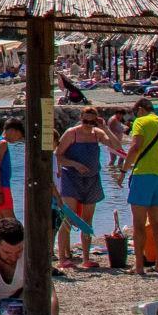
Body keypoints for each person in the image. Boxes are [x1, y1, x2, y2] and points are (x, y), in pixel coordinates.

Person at [54, 106, 121, 267]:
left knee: (87, 220)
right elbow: (58, 155)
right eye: (85, 121)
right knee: (68, 218)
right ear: (81, 117)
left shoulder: (97, 134)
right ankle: (63, 259)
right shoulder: (72, 133)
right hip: (71, 178)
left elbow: (117, 146)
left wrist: (104, 127)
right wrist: (75, 164)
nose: (88, 124)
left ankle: (85, 258)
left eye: (92, 122)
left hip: (92, 179)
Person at [121, 97, 158, 276]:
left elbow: (135, 147)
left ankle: (139, 266)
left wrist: (123, 170)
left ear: (140, 110)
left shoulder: (141, 122)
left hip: (142, 175)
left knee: (138, 223)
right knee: (156, 222)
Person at [0, 119, 23, 220]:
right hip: (0, 187)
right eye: (18, 136)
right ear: (12, 131)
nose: (17, 140)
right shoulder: (3, 143)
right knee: (11, 222)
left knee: (3, 223)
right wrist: (0, 192)